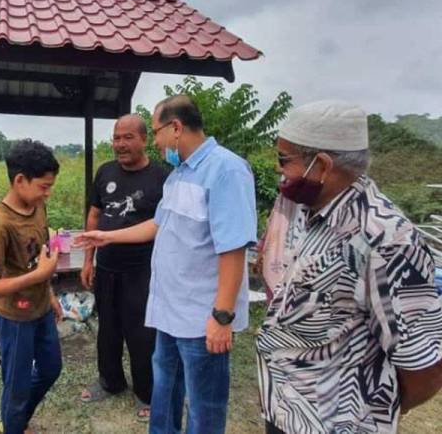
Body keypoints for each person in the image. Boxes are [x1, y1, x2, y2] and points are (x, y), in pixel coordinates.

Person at [256, 100, 442, 434]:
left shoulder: (384, 240)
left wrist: (370, 411)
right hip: (285, 410)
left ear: (322, 165)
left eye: (285, 160)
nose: (277, 168)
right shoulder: (309, 209)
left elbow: (424, 368)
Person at [76, 95, 257, 434]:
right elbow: (158, 225)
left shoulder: (226, 170)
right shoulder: (178, 175)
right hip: (170, 311)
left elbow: (233, 248)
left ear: (175, 127)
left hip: (202, 317)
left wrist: (222, 316)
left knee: (204, 407)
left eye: (155, 132)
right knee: (165, 394)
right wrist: (107, 237)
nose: (156, 142)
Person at [79, 114, 169, 421]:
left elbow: (166, 226)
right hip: (106, 267)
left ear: (144, 140)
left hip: (142, 270)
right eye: (116, 137)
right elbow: (94, 216)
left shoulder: (162, 177)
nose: (120, 144)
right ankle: (110, 381)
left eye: (128, 137)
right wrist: (88, 260)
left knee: (143, 333)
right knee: (109, 328)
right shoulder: (105, 172)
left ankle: (147, 392)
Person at [0, 139, 63, 434]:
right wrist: (38, 277)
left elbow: (39, 256)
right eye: (43, 186)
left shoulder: (37, 206)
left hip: (40, 308)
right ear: (20, 180)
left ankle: (16, 420)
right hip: (15, 316)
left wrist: (49, 293)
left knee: (51, 369)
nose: (48, 193)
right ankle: (14, 425)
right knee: (17, 386)